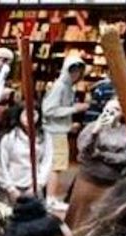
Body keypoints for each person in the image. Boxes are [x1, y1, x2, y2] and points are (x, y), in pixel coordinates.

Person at [65, 99, 126, 233]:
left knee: (100, 219)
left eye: (117, 110)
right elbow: (84, 151)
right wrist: (96, 132)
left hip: (111, 183)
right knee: (78, 216)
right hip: (88, 179)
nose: (112, 112)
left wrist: (100, 155)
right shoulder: (92, 127)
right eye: (109, 109)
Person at [40, 55, 88, 211]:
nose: (76, 75)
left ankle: (48, 196)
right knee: (55, 164)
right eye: (73, 71)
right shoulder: (60, 86)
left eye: (79, 72)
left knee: (54, 164)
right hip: (55, 131)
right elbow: (48, 109)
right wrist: (75, 109)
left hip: (59, 129)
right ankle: (50, 198)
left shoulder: (67, 87)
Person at [0, 106, 53, 203]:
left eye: (33, 114)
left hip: (34, 185)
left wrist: (38, 185)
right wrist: (11, 189)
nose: (29, 118)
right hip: (12, 186)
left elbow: (47, 161)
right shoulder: (9, 137)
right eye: (26, 114)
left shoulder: (45, 137)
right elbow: (2, 164)